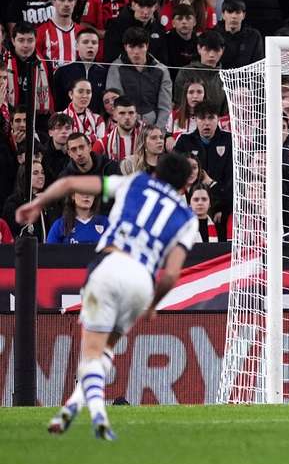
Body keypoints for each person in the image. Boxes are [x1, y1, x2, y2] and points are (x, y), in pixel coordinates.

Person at [18, 152, 198, 439]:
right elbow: (172, 274)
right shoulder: (188, 218)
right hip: (142, 282)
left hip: (110, 267)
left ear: (155, 172)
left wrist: (38, 202)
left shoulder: (135, 183)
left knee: (90, 352)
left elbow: (69, 185)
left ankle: (100, 418)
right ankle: (69, 410)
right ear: (183, 187)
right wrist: (152, 304)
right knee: (104, 351)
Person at [106, 27, 173, 129]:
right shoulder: (116, 67)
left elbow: (165, 106)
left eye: (141, 46)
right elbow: (115, 104)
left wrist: (157, 131)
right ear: (125, 47)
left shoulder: (161, 70)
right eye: (132, 47)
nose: (136, 52)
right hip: (125, 127)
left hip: (153, 127)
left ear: (147, 46)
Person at [103, 0, 168, 65]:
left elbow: (163, 62)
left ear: (155, 7)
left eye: (149, 6)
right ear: (133, 5)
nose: (145, 12)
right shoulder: (115, 26)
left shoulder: (159, 29)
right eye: (141, 6)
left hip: (152, 75)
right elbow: (110, 59)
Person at [53, 27, 107, 114]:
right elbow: (57, 102)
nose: (90, 45)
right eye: (85, 42)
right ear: (77, 46)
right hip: (68, 122)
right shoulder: (63, 71)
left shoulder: (104, 72)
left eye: (94, 43)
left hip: (95, 123)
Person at [3, 160, 56, 241]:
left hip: (48, 250)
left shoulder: (48, 200)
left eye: (42, 172)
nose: (41, 176)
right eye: (35, 173)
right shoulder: (13, 203)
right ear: (24, 176)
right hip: (25, 250)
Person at [216, 0, 263, 69]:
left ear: (243, 15)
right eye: (229, 12)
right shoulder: (214, 34)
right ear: (223, 15)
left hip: (246, 78)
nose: (234, 16)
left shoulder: (254, 36)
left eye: (238, 12)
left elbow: (258, 64)